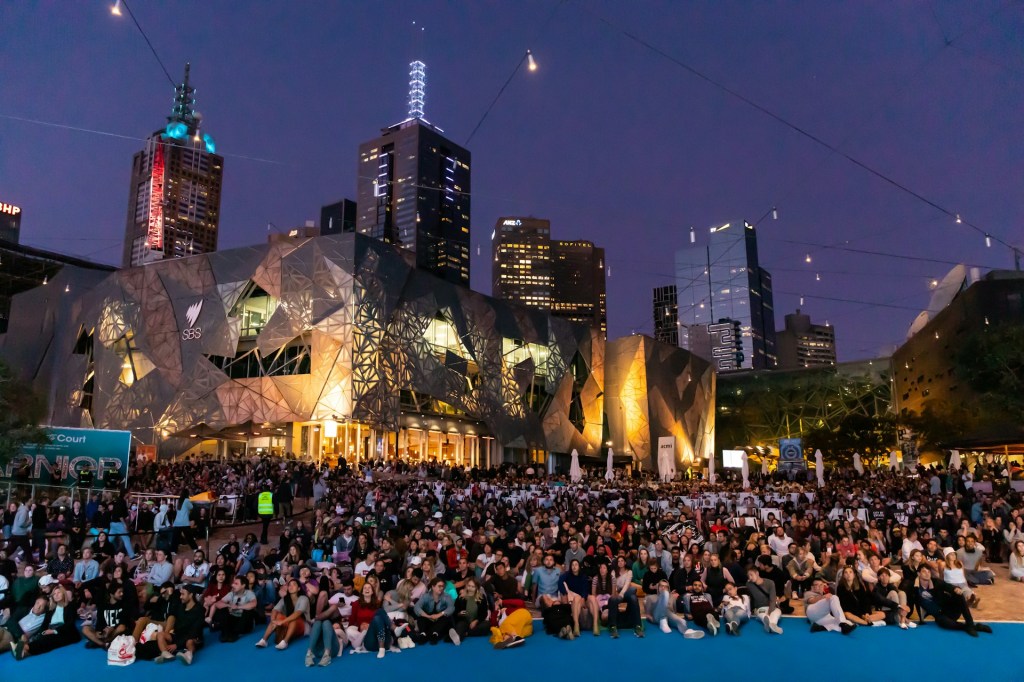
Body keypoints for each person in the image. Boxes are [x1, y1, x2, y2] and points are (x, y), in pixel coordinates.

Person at [914, 564, 992, 637]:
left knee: (958, 594)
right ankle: (973, 627)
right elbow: (907, 591)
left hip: (950, 610)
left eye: (929, 571)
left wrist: (955, 589)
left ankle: (970, 623)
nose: (927, 574)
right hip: (939, 616)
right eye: (924, 571)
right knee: (946, 624)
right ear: (918, 573)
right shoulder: (915, 587)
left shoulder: (936, 582)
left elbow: (947, 586)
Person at [10, 584, 80, 660]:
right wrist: (42, 632)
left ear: (63, 594)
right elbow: (43, 626)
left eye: (58, 593)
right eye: (54, 594)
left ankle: (24, 648)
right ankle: (23, 651)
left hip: (66, 632)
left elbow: (70, 624)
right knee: (42, 638)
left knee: (49, 639)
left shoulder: (70, 607)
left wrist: (54, 631)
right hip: (51, 630)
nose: (56, 595)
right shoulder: (50, 611)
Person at [153, 586, 204, 665]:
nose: (180, 597)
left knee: (190, 641)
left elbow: (194, 632)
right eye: (180, 594)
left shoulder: (200, 610)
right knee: (160, 634)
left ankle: (188, 655)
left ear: (191, 595)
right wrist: (170, 595)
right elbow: (171, 611)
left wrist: (177, 645)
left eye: (183, 594)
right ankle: (166, 655)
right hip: (179, 636)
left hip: (193, 637)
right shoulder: (180, 607)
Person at [256, 578, 309, 649]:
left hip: (302, 625)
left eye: (294, 585)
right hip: (288, 622)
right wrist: (273, 620)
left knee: (294, 619)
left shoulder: (303, 598)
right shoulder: (285, 598)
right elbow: (275, 609)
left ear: (299, 588)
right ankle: (264, 640)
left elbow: (298, 613)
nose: (291, 586)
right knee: (277, 615)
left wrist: (282, 622)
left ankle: (285, 642)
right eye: (289, 585)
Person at [82, 583, 131, 649]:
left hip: (116, 632)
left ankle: (101, 641)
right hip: (105, 632)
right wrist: (99, 631)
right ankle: (103, 644)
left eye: (122, 592)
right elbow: (100, 622)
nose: (122, 594)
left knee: (121, 627)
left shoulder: (124, 605)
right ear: (112, 594)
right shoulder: (103, 606)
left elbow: (123, 622)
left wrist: (112, 629)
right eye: (119, 592)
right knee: (85, 629)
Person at [558, 558, 598, 637]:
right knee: (577, 598)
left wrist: (583, 597)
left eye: (576, 565)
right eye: (572, 565)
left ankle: (595, 624)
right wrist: (564, 592)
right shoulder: (567, 574)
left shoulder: (583, 575)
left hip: (584, 596)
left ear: (579, 566)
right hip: (576, 598)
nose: (574, 567)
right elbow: (560, 582)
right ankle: (576, 626)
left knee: (593, 598)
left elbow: (585, 588)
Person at [305, 576, 339, 667]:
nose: (322, 597)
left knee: (325, 622)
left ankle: (326, 655)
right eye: (321, 596)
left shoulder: (333, 607)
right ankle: (309, 653)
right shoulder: (324, 601)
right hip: (318, 650)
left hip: (332, 648)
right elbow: (317, 618)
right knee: (319, 622)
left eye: (323, 596)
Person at [414, 577, 458, 645]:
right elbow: (417, 607)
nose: (441, 588)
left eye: (442, 586)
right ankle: (423, 634)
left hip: (439, 620)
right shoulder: (425, 596)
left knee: (447, 617)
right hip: (428, 618)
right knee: (421, 617)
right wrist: (428, 616)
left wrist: (439, 615)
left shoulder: (447, 596)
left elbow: (451, 608)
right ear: (433, 587)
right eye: (439, 586)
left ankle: (434, 634)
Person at [213, 576, 257, 643]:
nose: (232, 585)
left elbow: (254, 604)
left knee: (249, 611)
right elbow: (218, 604)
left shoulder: (249, 593)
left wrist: (238, 607)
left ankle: (235, 633)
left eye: (236, 584)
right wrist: (229, 605)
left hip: (245, 624)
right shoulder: (231, 593)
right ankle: (225, 633)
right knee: (221, 610)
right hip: (233, 619)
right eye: (233, 583)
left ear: (243, 585)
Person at [745, 566, 783, 634]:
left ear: (757, 573)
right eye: (748, 576)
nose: (750, 578)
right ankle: (768, 621)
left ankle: (772, 624)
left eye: (751, 575)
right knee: (761, 614)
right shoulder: (749, 584)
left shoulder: (770, 583)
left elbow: (772, 599)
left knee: (776, 613)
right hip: (759, 608)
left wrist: (769, 612)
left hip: (772, 606)